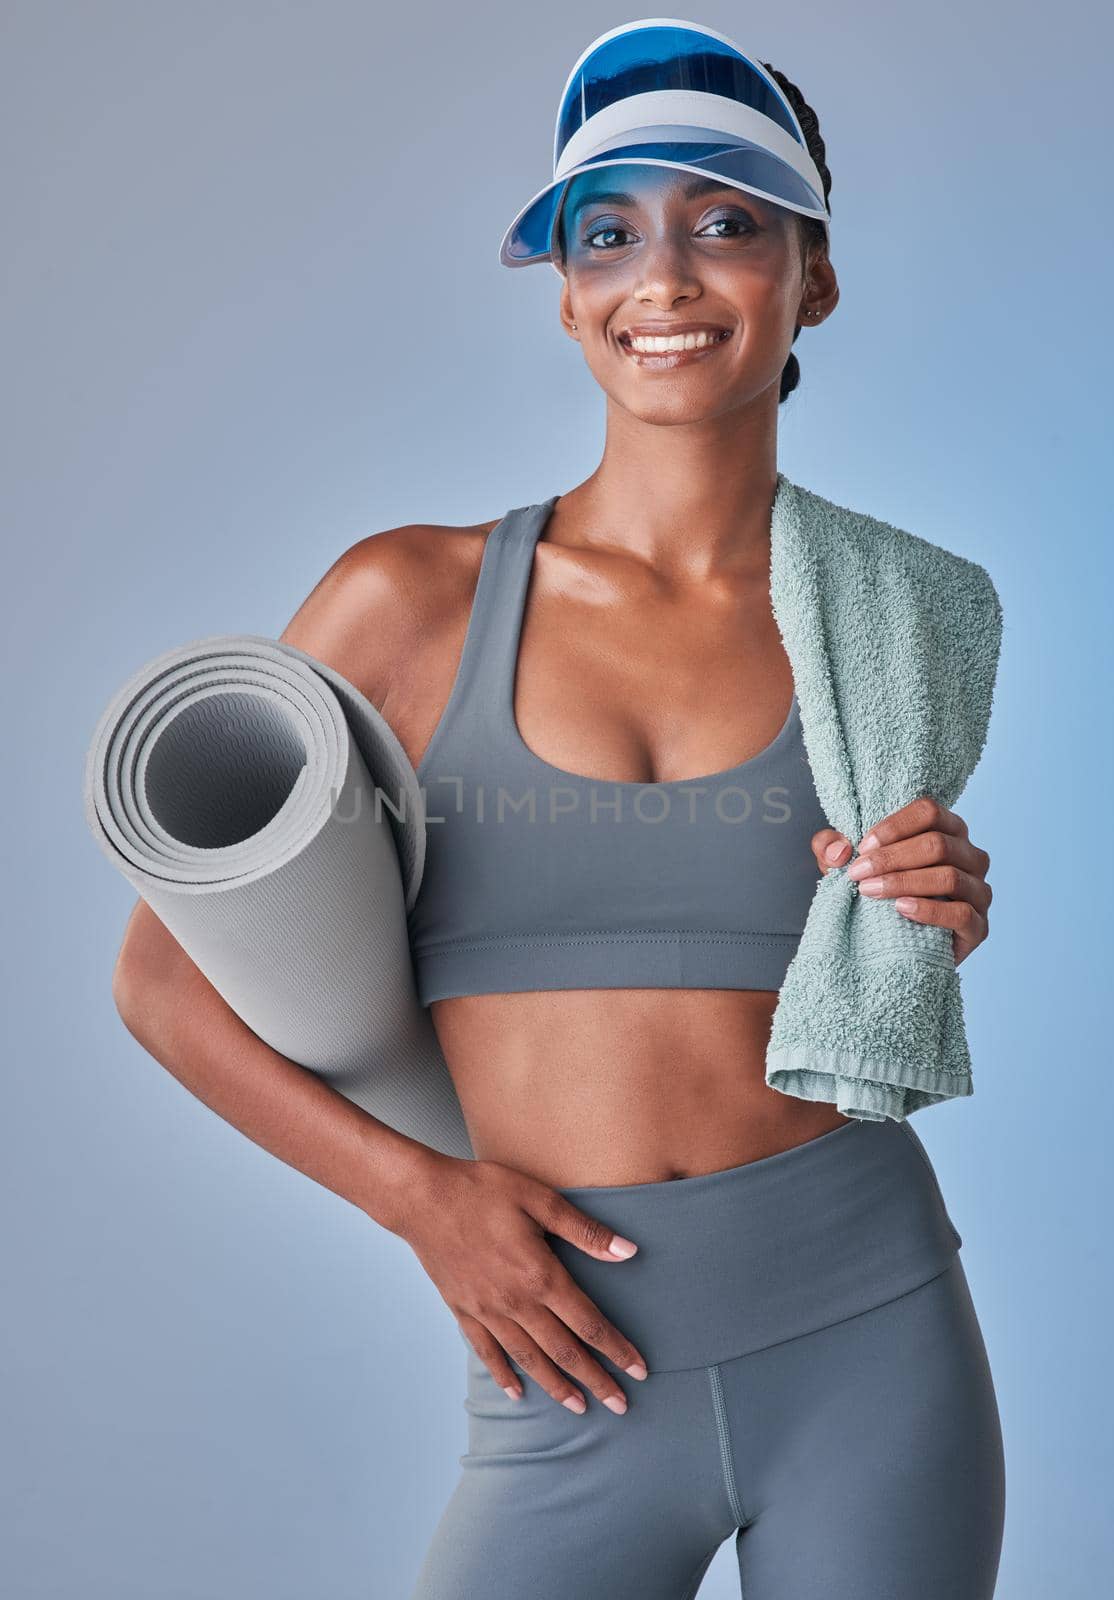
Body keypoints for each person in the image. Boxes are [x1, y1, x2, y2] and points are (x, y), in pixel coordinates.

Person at [111, 19, 1006, 1599]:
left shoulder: (891, 620)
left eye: (725, 224)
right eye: (609, 236)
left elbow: (857, 961)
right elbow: (162, 983)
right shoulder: (411, 601)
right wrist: (422, 1206)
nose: (661, 279)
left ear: (813, 276)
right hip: (571, 1371)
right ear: (570, 294)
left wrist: (938, 900)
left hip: (873, 1331)